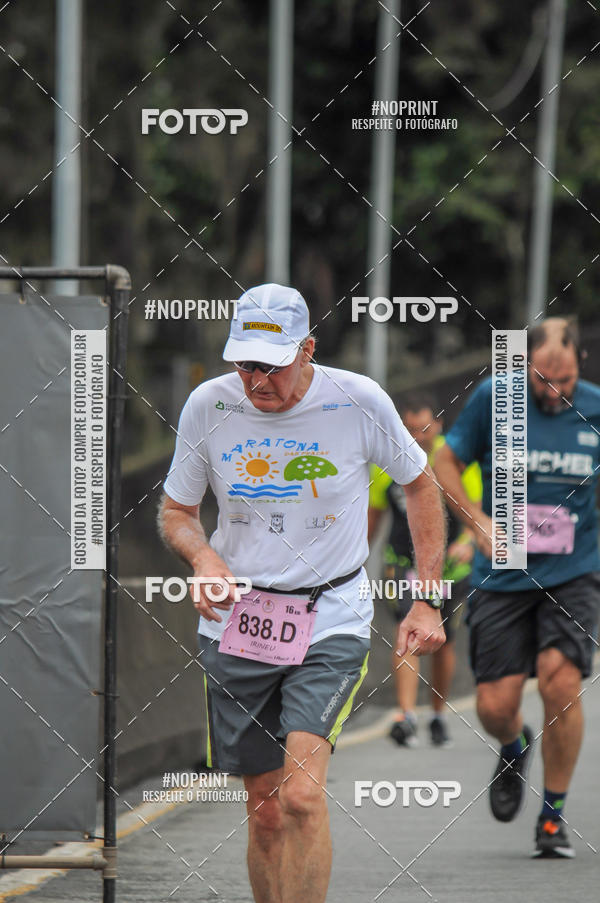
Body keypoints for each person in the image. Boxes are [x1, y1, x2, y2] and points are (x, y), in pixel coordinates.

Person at [158, 283, 446, 903]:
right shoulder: (209, 405)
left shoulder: (357, 400)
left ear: (308, 349)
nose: (257, 379)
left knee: (302, 795)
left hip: (331, 615)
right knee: (264, 810)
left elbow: (420, 486)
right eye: (245, 363)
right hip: (240, 620)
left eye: (272, 365)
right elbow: (177, 511)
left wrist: (426, 598)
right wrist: (204, 556)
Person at [434, 317, 600, 858]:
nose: (557, 391)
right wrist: (476, 520)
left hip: (573, 572)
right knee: (495, 705)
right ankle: (513, 744)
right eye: (545, 379)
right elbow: (445, 461)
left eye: (568, 380)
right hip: (502, 575)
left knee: (560, 681)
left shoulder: (595, 408)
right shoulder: (494, 398)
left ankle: (552, 817)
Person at [368, 392, 482, 747]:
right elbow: (371, 522)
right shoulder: (386, 461)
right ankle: (406, 716)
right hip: (403, 564)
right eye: (411, 429)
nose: (418, 436)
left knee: (441, 643)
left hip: (449, 567)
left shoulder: (456, 458)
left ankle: (437, 715)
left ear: (439, 425)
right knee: (408, 630)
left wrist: (467, 542)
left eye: (425, 428)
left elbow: (473, 510)